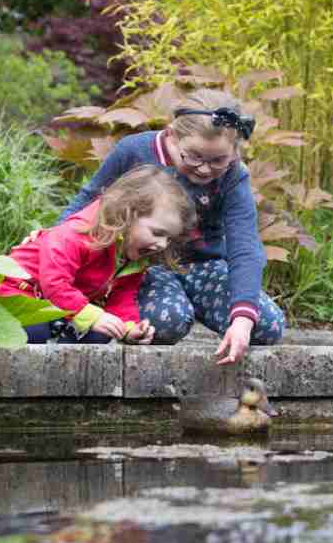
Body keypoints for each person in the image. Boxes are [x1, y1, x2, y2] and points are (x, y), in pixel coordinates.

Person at [59, 89, 286, 364]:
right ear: (170, 136)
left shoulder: (234, 176)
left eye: (218, 160)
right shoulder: (134, 151)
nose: (204, 169)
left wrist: (241, 318)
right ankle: (156, 306)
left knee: (266, 326)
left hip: (205, 267)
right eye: (193, 157)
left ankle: (216, 311)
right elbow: (87, 201)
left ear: (234, 152)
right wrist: (54, 240)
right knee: (165, 324)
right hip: (145, 266)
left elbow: (245, 246)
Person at [0, 165, 197, 345]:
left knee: (103, 332)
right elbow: (55, 283)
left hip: (60, 305)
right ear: (127, 214)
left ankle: (70, 376)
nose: (162, 244)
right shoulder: (76, 234)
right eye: (158, 233)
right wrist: (91, 316)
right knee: (32, 332)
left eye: (169, 239)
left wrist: (129, 327)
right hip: (21, 292)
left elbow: (123, 295)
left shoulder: (133, 254)